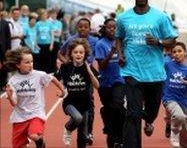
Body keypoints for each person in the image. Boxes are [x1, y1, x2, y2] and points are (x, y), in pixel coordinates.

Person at [115, 0, 177, 148]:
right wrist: (120, 55)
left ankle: (149, 120)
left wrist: (158, 41)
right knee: (132, 114)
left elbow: (172, 41)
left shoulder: (161, 17)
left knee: (151, 112)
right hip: (132, 72)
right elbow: (119, 38)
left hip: (155, 73)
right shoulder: (123, 18)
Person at [4, 46, 65, 148]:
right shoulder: (13, 81)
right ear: (18, 65)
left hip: (36, 113)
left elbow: (52, 78)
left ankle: (40, 142)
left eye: (31, 61)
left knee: (33, 135)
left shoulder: (38, 75)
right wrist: (10, 96)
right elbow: (14, 103)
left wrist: (62, 90)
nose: (31, 65)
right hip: (20, 117)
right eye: (27, 62)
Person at [58, 17, 98, 145]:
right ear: (72, 53)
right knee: (77, 118)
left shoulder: (94, 43)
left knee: (82, 134)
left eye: (81, 52)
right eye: (76, 52)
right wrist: (61, 90)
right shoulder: (66, 66)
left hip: (85, 102)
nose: (79, 54)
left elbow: (97, 85)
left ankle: (88, 134)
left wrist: (90, 71)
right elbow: (56, 78)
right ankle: (68, 128)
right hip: (70, 102)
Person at [162, 42, 187, 148]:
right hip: (169, 98)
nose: (177, 54)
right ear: (171, 54)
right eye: (174, 52)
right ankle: (173, 133)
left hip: (183, 101)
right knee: (179, 116)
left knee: (185, 132)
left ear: (185, 53)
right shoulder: (167, 65)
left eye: (179, 51)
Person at [95, 18, 125, 148]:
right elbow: (101, 66)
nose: (112, 29)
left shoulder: (122, 43)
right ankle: (109, 129)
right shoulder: (100, 44)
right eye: (109, 27)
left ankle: (119, 137)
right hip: (105, 83)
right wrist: (112, 52)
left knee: (118, 106)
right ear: (104, 29)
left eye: (115, 27)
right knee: (109, 110)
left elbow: (125, 60)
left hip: (119, 80)